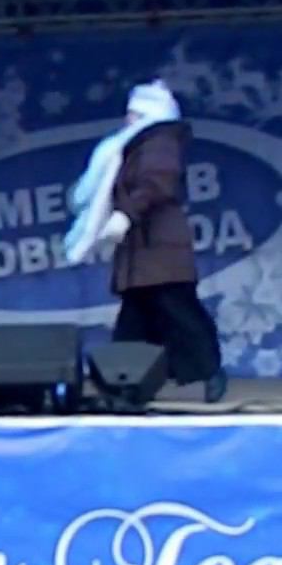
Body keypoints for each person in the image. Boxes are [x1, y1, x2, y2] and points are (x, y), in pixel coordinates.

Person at [65, 79, 227, 403]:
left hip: (160, 244)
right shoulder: (139, 144)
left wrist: (126, 214)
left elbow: (155, 183)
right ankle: (126, 384)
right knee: (136, 317)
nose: (128, 119)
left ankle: (209, 370)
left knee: (177, 310)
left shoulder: (159, 141)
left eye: (135, 113)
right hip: (143, 247)